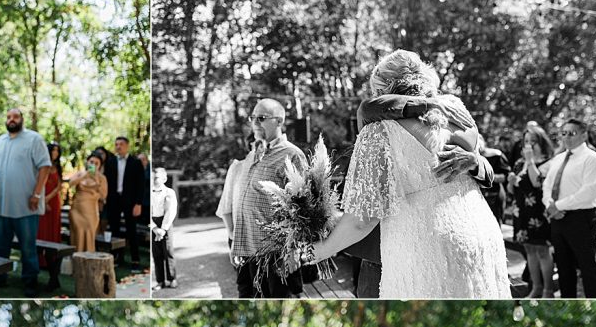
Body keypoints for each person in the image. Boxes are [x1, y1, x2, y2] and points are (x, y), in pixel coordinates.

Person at [311, 51, 510, 298]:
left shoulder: (378, 130)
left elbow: (362, 219)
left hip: (424, 247)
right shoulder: (455, 110)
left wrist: (318, 252)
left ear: (383, 88)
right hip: (481, 235)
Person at [216, 98, 308, 298]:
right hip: (246, 251)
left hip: (275, 253)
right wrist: (235, 245)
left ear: (279, 121)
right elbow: (242, 203)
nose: (255, 123)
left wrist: (292, 250)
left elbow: (302, 209)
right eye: (252, 118)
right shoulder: (254, 154)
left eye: (262, 118)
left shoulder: (292, 155)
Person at [0, 108, 51, 297]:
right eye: (8, 117)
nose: (11, 119)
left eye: (15, 116)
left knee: (27, 248)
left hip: (26, 206)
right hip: (0, 206)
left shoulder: (34, 139)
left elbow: (45, 167)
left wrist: (37, 194)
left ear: (22, 119)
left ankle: (30, 282)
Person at [542, 118, 596, 298]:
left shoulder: (592, 158)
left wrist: (558, 206)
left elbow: (588, 192)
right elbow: (547, 185)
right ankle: (567, 299)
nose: (567, 137)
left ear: (584, 135)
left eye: (572, 133)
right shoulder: (559, 158)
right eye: (564, 133)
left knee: (587, 267)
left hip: (581, 218)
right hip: (557, 218)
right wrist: (550, 205)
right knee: (563, 267)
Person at [508, 124, 556, 297]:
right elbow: (512, 191)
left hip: (538, 214)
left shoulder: (549, 162)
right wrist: (511, 181)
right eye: (526, 141)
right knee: (529, 250)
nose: (528, 145)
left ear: (541, 143)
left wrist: (530, 161)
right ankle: (535, 287)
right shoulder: (519, 163)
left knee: (543, 250)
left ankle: (548, 290)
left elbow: (537, 183)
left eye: (533, 142)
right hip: (521, 213)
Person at [104, 136, 144, 268]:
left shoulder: (135, 162)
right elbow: (106, 182)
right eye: (116, 144)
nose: (118, 146)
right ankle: (116, 257)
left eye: (121, 144)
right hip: (114, 200)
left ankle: (135, 259)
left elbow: (141, 185)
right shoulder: (110, 162)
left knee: (131, 230)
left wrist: (138, 203)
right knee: (114, 229)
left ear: (127, 146)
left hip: (130, 201)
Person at [67, 153, 108, 253]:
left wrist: (97, 181)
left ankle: (88, 259)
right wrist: (85, 175)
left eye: (96, 163)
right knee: (77, 234)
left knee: (89, 233)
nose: (93, 164)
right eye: (91, 162)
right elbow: (70, 184)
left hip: (91, 211)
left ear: (100, 165)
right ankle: (76, 257)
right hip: (77, 209)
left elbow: (103, 196)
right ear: (87, 162)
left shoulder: (102, 178)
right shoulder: (80, 173)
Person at [150, 166, 177, 289]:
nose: (154, 180)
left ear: (164, 179)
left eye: (156, 178)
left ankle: (172, 278)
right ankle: (160, 280)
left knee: (168, 251)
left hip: (166, 222)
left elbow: (171, 211)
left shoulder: (169, 192)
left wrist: (163, 229)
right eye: (152, 178)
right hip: (153, 223)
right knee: (156, 253)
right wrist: (155, 228)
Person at [37, 140, 63, 257]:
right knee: (42, 227)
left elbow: (59, 187)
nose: (56, 153)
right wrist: (44, 200)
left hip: (54, 201)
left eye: (57, 151)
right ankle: (41, 258)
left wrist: (48, 199)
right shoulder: (42, 165)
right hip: (42, 198)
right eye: (53, 150)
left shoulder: (58, 167)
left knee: (54, 226)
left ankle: (52, 257)